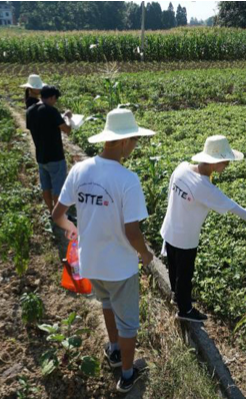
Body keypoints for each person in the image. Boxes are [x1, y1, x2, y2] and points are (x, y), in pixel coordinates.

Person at [52, 107, 155, 394]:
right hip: (119, 267)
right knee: (129, 324)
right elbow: (132, 232)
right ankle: (126, 374)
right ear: (123, 142)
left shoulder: (81, 168)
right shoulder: (127, 180)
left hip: (91, 263)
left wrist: (72, 230)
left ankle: (113, 350)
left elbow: (58, 214)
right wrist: (146, 256)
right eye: (134, 140)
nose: (135, 145)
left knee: (106, 304)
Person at [160, 135, 246, 323]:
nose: (227, 166)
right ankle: (185, 310)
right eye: (226, 162)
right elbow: (242, 212)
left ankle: (177, 296)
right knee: (185, 274)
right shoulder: (206, 189)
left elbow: (170, 194)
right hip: (186, 239)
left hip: (169, 230)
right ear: (216, 162)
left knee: (174, 269)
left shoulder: (181, 168)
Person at [26, 85, 72, 215]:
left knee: (46, 186)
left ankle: (51, 211)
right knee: (58, 188)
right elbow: (67, 129)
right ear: (52, 97)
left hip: (41, 156)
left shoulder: (30, 110)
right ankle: (60, 216)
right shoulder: (51, 111)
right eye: (55, 99)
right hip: (55, 156)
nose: (55, 102)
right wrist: (67, 117)